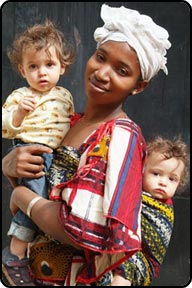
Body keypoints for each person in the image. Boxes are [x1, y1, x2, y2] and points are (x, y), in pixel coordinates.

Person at [2, 4, 171, 286]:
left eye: (121, 70)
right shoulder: (69, 122)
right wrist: (9, 163)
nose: (102, 73)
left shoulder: (119, 137)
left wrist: (19, 195)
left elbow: (79, 229)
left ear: (138, 86)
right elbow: (46, 188)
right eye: (100, 57)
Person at [2, 20, 74, 286]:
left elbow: (68, 126)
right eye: (33, 66)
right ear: (22, 70)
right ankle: (14, 253)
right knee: (37, 203)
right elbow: (5, 126)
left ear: (62, 67)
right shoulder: (20, 96)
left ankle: (34, 254)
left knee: (49, 205)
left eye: (49, 65)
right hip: (30, 152)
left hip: (56, 157)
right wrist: (19, 111)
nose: (41, 72)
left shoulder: (65, 95)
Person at [96, 136, 190, 286]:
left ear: (179, 183)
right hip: (118, 249)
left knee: (125, 264)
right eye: (156, 173)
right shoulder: (133, 193)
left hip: (143, 261)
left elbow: (156, 240)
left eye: (172, 179)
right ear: (142, 171)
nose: (163, 182)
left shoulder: (164, 210)